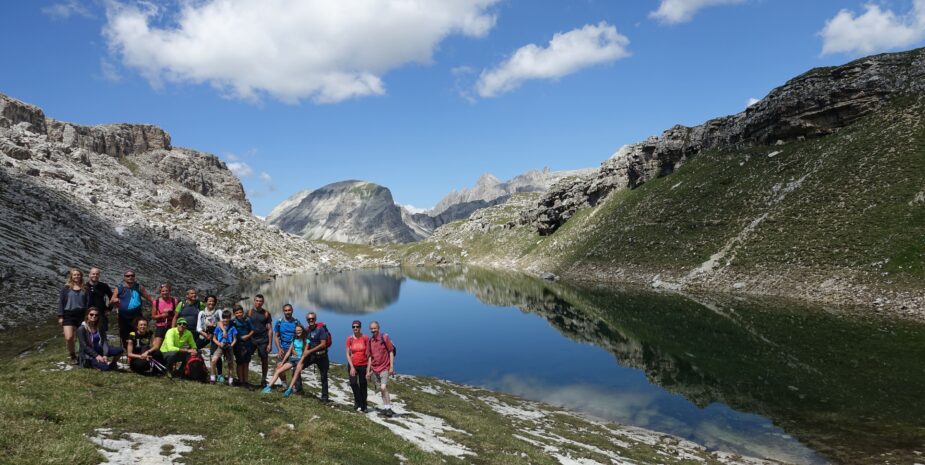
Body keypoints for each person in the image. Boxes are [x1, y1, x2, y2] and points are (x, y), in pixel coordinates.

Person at [110, 270, 152, 349]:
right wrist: (114, 300)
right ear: (124, 277)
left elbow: (149, 298)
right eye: (128, 276)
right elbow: (111, 301)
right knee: (125, 336)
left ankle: (139, 351)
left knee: (139, 335)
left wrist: (159, 303)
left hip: (136, 317)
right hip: (123, 318)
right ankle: (128, 354)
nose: (130, 277)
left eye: (132, 275)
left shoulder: (139, 287)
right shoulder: (119, 288)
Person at [263, 324, 307, 396]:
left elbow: (305, 352)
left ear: (302, 330)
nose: (298, 332)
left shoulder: (306, 340)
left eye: (299, 330)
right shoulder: (294, 339)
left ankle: (289, 389)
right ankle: (268, 387)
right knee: (278, 370)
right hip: (293, 359)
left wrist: (301, 361)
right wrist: (282, 362)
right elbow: (289, 352)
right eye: (296, 331)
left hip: (300, 360)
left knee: (296, 372)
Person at [295, 312, 330, 401]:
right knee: (297, 368)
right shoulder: (306, 331)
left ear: (315, 319)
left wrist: (309, 351)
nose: (311, 320)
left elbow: (323, 344)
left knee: (323, 377)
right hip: (311, 356)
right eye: (309, 319)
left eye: (312, 319)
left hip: (322, 356)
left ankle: (324, 397)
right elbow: (305, 342)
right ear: (307, 320)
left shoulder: (321, 329)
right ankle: (299, 390)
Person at [58, 268, 88, 365]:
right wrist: (60, 316)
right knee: (69, 337)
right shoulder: (65, 288)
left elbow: (88, 302)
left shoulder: (85, 288)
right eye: (74, 275)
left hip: (81, 314)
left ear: (81, 276)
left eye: (78, 275)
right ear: (71, 276)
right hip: (68, 315)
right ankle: (72, 355)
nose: (76, 276)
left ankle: (82, 354)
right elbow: (61, 303)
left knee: (82, 337)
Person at [367, 320, 396, 417]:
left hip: (384, 368)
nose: (373, 330)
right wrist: (369, 372)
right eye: (371, 329)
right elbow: (371, 357)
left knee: (383, 388)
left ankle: (388, 407)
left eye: (374, 328)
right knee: (382, 389)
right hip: (375, 370)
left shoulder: (385, 337)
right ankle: (387, 408)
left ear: (378, 328)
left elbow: (391, 351)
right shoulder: (370, 341)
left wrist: (391, 366)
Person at [247, 295, 273, 388]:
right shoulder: (249, 312)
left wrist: (270, 343)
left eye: (260, 301)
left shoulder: (266, 314)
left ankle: (263, 379)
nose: (258, 302)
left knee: (264, 359)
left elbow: (270, 329)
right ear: (254, 301)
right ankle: (245, 379)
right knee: (246, 358)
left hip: (263, 340)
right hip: (251, 339)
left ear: (263, 302)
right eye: (257, 301)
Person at [273, 304, 300, 389]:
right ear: (283, 311)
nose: (288, 312)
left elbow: (301, 335)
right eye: (286, 310)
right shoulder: (279, 322)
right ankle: (284, 383)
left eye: (289, 310)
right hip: (283, 349)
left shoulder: (296, 322)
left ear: (292, 311)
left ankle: (295, 387)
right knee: (279, 366)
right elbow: (276, 336)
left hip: (294, 349)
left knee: (296, 368)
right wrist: (279, 349)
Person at [346, 319, 371, 412]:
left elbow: (369, 354)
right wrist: (352, 367)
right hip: (353, 364)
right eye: (353, 327)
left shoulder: (365, 338)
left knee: (363, 384)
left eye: (357, 326)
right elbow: (347, 354)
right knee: (353, 383)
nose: (355, 328)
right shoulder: (350, 339)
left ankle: (364, 405)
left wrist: (368, 370)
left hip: (363, 364)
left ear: (360, 327)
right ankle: (358, 401)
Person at [210, 309, 237, 385]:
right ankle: (212, 378)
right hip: (220, 346)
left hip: (229, 346)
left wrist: (231, 345)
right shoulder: (218, 328)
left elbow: (235, 339)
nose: (225, 319)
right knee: (213, 360)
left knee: (230, 363)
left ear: (230, 318)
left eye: (227, 318)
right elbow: (214, 338)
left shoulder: (232, 328)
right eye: (224, 318)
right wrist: (218, 344)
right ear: (222, 318)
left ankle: (230, 380)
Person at [231, 305, 255, 387]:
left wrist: (248, 336)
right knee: (240, 363)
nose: (239, 314)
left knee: (246, 363)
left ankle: (246, 381)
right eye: (237, 313)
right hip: (238, 344)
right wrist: (239, 337)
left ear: (243, 312)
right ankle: (241, 381)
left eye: (240, 312)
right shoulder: (233, 322)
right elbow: (231, 332)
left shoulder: (247, 320)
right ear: (234, 314)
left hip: (247, 343)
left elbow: (252, 330)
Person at [85, 267, 113, 334]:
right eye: (93, 274)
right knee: (87, 332)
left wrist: (109, 309)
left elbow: (112, 297)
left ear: (99, 275)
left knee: (102, 332)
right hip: (87, 313)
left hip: (101, 313)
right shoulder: (84, 286)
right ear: (89, 275)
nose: (95, 275)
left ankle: (103, 344)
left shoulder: (104, 286)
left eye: (97, 274)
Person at [151, 283, 179, 350]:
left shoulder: (174, 301)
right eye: (163, 291)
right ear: (160, 292)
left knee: (171, 345)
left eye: (166, 291)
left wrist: (171, 312)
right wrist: (162, 315)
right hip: (160, 326)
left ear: (169, 291)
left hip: (171, 325)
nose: (165, 292)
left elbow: (177, 314)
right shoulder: (156, 302)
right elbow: (153, 316)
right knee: (156, 346)